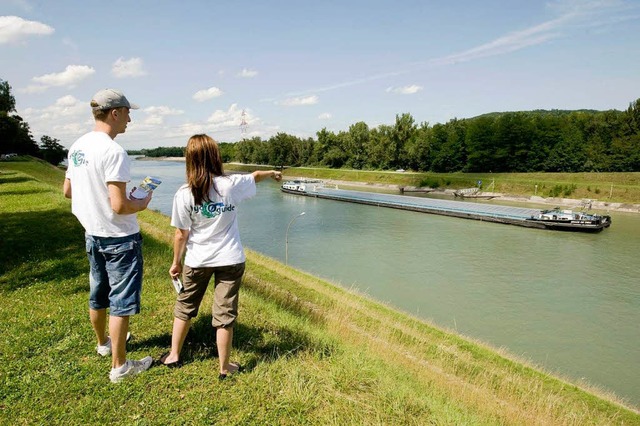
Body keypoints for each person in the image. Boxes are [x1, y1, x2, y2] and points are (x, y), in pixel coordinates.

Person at [160, 134, 282, 379]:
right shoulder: (230, 184)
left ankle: (174, 355)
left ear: (189, 160)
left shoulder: (184, 194)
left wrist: (176, 262)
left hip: (197, 260)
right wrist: (272, 173)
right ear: (215, 157)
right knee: (225, 312)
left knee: (185, 306)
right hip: (230, 259)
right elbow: (255, 176)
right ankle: (224, 368)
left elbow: (181, 234)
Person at [63, 89, 154, 383]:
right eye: (128, 113)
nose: (130, 119)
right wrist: (141, 201)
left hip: (92, 235)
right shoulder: (114, 151)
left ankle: (103, 344)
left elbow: (68, 191)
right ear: (115, 113)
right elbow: (120, 206)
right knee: (121, 302)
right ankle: (120, 366)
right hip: (120, 238)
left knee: (98, 295)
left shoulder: (77, 146)